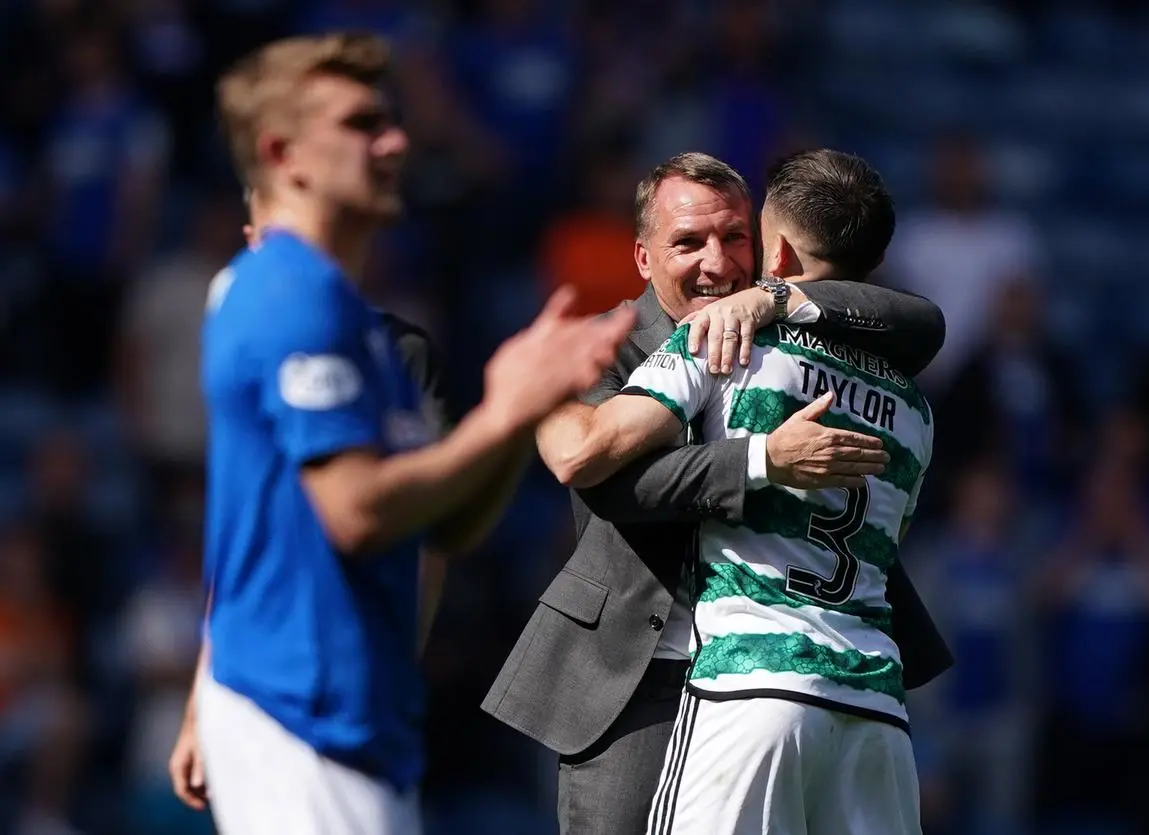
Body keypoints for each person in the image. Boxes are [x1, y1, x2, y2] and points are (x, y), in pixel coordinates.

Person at [192, 33, 633, 835]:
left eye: (391, 120)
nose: (394, 141)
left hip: (358, 717)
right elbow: (355, 511)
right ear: (283, 153)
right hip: (299, 710)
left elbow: (445, 523)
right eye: (362, 124)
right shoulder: (290, 296)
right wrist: (501, 413)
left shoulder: (366, 329)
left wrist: (521, 408)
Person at [483, 152, 950, 835]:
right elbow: (598, 474)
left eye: (734, 236)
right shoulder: (598, 345)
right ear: (642, 259)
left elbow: (921, 319)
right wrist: (762, 458)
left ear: (769, 247)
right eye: (688, 242)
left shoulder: (782, 324)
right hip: (640, 671)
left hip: (771, 667)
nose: (716, 261)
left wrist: (776, 296)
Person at [166, 188, 453, 817]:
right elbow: (241, 542)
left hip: (351, 689)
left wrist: (395, 666)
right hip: (263, 685)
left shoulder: (398, 354)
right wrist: (200, 701)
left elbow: (424, 540)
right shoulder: (251, 338)